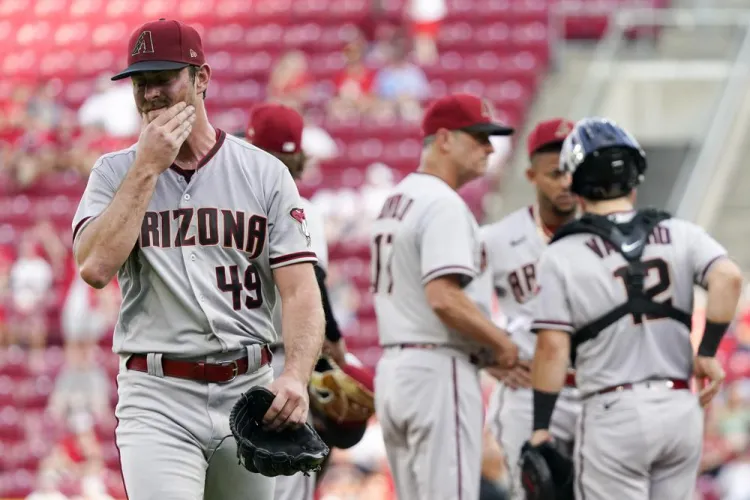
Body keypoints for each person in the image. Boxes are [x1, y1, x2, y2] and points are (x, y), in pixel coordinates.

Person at [71, 18, 325, 500]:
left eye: (163, 79)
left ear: (201, 79)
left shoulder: (263, 173)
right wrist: (146, 168)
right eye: (140, 83)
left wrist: (295, 375)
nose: (150, 95)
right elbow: (95, 268)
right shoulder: (113, 173)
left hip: (247, 390)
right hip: (158, 396)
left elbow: (299, 290)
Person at [528, 117, 742, 500]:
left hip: (613, 409)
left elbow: (552, 348)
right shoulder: (680, 231)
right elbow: (728, 277)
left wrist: (541, 425)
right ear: (635, 175)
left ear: (575, 184)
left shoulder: (562, 252)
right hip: (678, 405)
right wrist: (707, 352)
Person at [371, 92, 519, 500]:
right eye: (479, 137)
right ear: (445, 139)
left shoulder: (396, 199)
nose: (490, 148)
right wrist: (502, 344)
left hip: (395, 370)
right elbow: (444, 299)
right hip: (438, 371)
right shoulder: (443, 204)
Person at [244, 102, 352, 500]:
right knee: (288, 482)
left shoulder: (229, 210)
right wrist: (335, 346)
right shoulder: (300, 209)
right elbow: (315, 287)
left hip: (231, 364)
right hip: (286, 364)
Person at [482, 118, 582, 499]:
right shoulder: (497, 238)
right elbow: (450, 300)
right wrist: (485, 355)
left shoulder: (604, 234)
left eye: (572, 172)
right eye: (555, 173)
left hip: (595, 389)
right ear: (531, 175)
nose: (566, 183)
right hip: (527, 390)